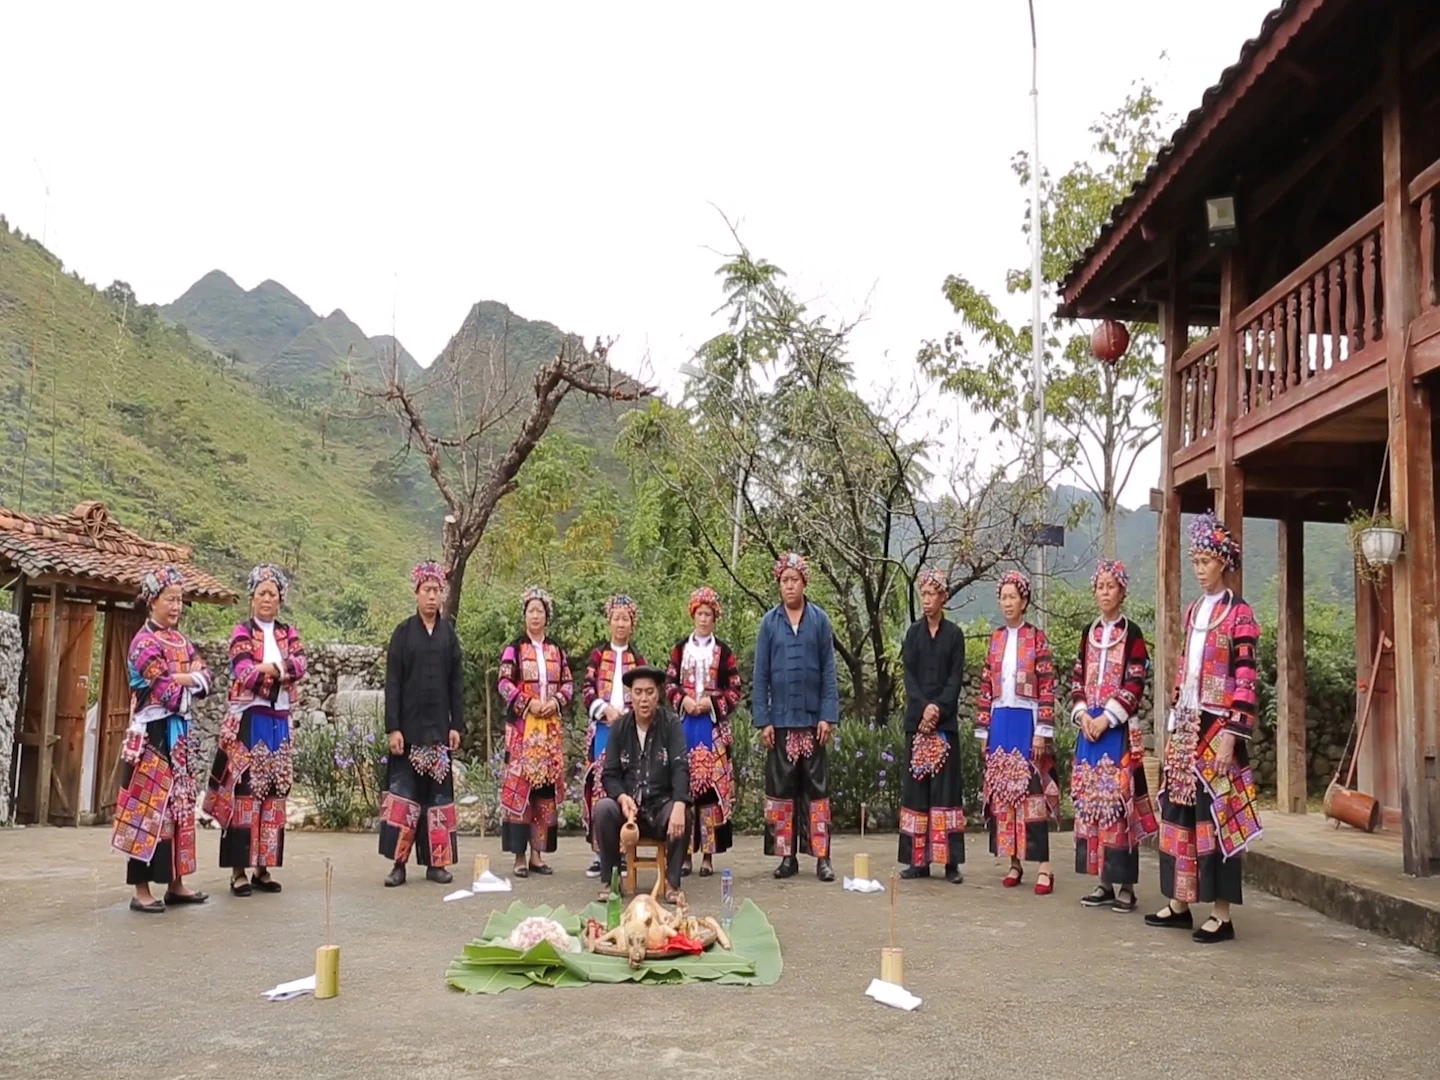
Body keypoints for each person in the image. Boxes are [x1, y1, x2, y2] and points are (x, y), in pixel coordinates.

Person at [1146, 513, 1263, 944]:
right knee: (1178, 810)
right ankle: (1179, 901)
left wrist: (1233, 732)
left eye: (1206, 560)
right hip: (1190, 721)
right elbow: (1184, 669)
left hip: (1219, 725)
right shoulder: (1195, 611)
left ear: (1224, 562)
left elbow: (1247, 677)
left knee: (1215, 816)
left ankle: (1222, 912)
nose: (1199, 568)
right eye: (1195, 560)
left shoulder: (1241, 615)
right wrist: (1176, 717)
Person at [113, 565, 211, 913]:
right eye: (170, 599)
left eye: (180, 600)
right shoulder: (143, 643)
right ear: (152, 601)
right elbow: (166, 691)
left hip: (179, 735)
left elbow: (208, 680)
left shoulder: (182, 641)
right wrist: (190, 678)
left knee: (180, 806)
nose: (176, 606)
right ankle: (141, 889)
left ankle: (177, 882)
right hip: (152, 735)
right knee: (146, 809)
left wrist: (185, 677)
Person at [206, 563, 307, 897]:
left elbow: (301, 664)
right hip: (249, 722)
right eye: (261, 593)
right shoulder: (241, 632)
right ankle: (238, 871)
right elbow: (243, 671)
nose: (267, 598)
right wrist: (281, 671)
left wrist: (273, 668)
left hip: (279, 722)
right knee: (245, 791)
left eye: (273, 593)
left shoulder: (287, 632)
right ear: (252, 597)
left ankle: (264, 867)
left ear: (280, 599)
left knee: (275, 791)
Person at [1069, 559, 1155, 913]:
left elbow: (1136, 681)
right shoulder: (1088, 633)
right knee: (1092, 804)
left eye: (1111, 586)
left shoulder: (1132, 634)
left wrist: (1107, 717)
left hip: (1117, 733)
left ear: (1122, 591)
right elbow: (1076, 678)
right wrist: (1082, 715)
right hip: (1090, 733)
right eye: (1100, 586)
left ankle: (1127, 888)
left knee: (1119, 804)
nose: (1105, 592)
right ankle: (1102, 882)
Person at [754, 552, 840, 882]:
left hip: (812, 722)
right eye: (784, 581)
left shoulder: (819, 620)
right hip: (780, 723)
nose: (789, 586)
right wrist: (764, 721)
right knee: (782, 791)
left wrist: (827, 717)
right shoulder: (769, 623)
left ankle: (822, 857)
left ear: (805, 582)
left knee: (817, 791)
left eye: (794, 580)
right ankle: (786, 858)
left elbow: (829, 672)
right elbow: (760, 674)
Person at [379, 561, 464, 888]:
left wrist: (455, 725)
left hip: (439, 735)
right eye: (426, 590)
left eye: (436, 591)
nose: (432, 596)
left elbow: (456, 683)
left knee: (438, 801)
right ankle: (399, 865)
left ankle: (436, 864)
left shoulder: (449, 635)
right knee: (405, 800)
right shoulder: (403, 633)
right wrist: (393, 728)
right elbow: (393, 683)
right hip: (409, 734)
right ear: (416, 594)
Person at [975, 569, 1059, 895]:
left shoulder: (1036, 638)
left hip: (1027, 720)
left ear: (1024, 600)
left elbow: (1048, 685)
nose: (1008, 603)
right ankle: (1013, 861)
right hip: (1000, 721)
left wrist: (1043, 731)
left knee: (1032, 791)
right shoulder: (996, 639)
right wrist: (984, 731)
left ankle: (1044, 866)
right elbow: (985, 686)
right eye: (1003, 597)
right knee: (1004, 792)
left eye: (1013, 597)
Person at [592, 665, 690, 903]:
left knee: (683, 812)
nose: (644, 699)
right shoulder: (619, 728)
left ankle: (672, 884)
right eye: (638, 692)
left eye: (649, 692)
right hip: (629, 813)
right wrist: (621, 797)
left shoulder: (671, 724)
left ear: (658, 695)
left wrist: (679, 803)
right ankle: (611, 881)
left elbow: (680, 766)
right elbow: (610, 773)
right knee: (603, 809)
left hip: (660, 808)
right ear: (630, 696)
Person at [665, 586, 743, 877]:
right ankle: (684, 854)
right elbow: (669, 683)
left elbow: (735, 689)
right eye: (700, 613)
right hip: (684, 725)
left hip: (711, 727)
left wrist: (711, 702)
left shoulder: (724, 653)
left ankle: (708, 856)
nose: (704, 619)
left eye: (708, 614)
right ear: (692, 615)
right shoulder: (679, 648)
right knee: (683, 788)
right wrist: (683, 700)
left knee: (710, 791)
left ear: (715, 618)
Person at [497, 585, 573, 878]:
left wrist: (554, 702)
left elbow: (568, 684)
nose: (535, 616)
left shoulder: (557, 650)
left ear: (547, 616)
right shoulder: (514, 648)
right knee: (520, 788)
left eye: (540, 611)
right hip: (522, 727)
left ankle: (537, 855)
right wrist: (528, 703)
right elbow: (504, 683)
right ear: (524, 615)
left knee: (544, 790)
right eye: (531, 610)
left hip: (549, 728)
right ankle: (518, 856)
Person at [898, 568, 967, 883]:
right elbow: (909, 676)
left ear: (944, 597)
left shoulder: (955, 635)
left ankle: (950, 862)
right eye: (923, 594)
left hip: (944, 724)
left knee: (946, 792)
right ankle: (918, 861)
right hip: (918, 724)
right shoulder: (913, 634)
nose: (926, 600)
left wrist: (937, 709)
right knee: (917, 793)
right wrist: (922, 708)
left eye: (932, 594)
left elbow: (955, 679)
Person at [580, 594, 646, 879]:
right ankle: (599, 854)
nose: (621, 623)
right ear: (609, 622)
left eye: (626, 618)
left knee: (625, 786)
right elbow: (586, 690)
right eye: (616, 618)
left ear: (632, 624)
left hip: (629, 731)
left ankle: (622, 851)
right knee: (599, 788)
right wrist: (604, 709)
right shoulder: (598, 656)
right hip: (603, 729)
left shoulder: (638, 658)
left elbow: (646, 692)